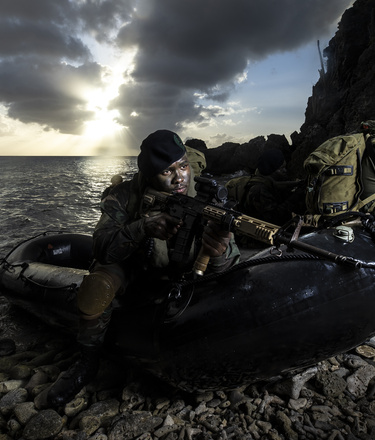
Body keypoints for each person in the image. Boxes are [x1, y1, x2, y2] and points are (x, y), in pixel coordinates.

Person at [47, 129, 240, 407]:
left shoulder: (207, 199)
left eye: (183, 166)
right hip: (135, 268)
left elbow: (233, 272)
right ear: (150, 175)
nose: (180, 178)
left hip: (187, 273)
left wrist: (218, 252)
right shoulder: (125, 196)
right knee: (96, 286)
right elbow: (101, 246)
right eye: (167, 172)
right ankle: (87, 362)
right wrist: (142, 228)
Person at [226, 149, 305, 226]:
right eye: (281, 168)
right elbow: (274, 219)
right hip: (258, 236)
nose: (285, 171)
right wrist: (295, 196)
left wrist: (297, 184)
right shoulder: (259, 190)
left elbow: (278, 185)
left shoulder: (265, 180)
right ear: (271, 170)